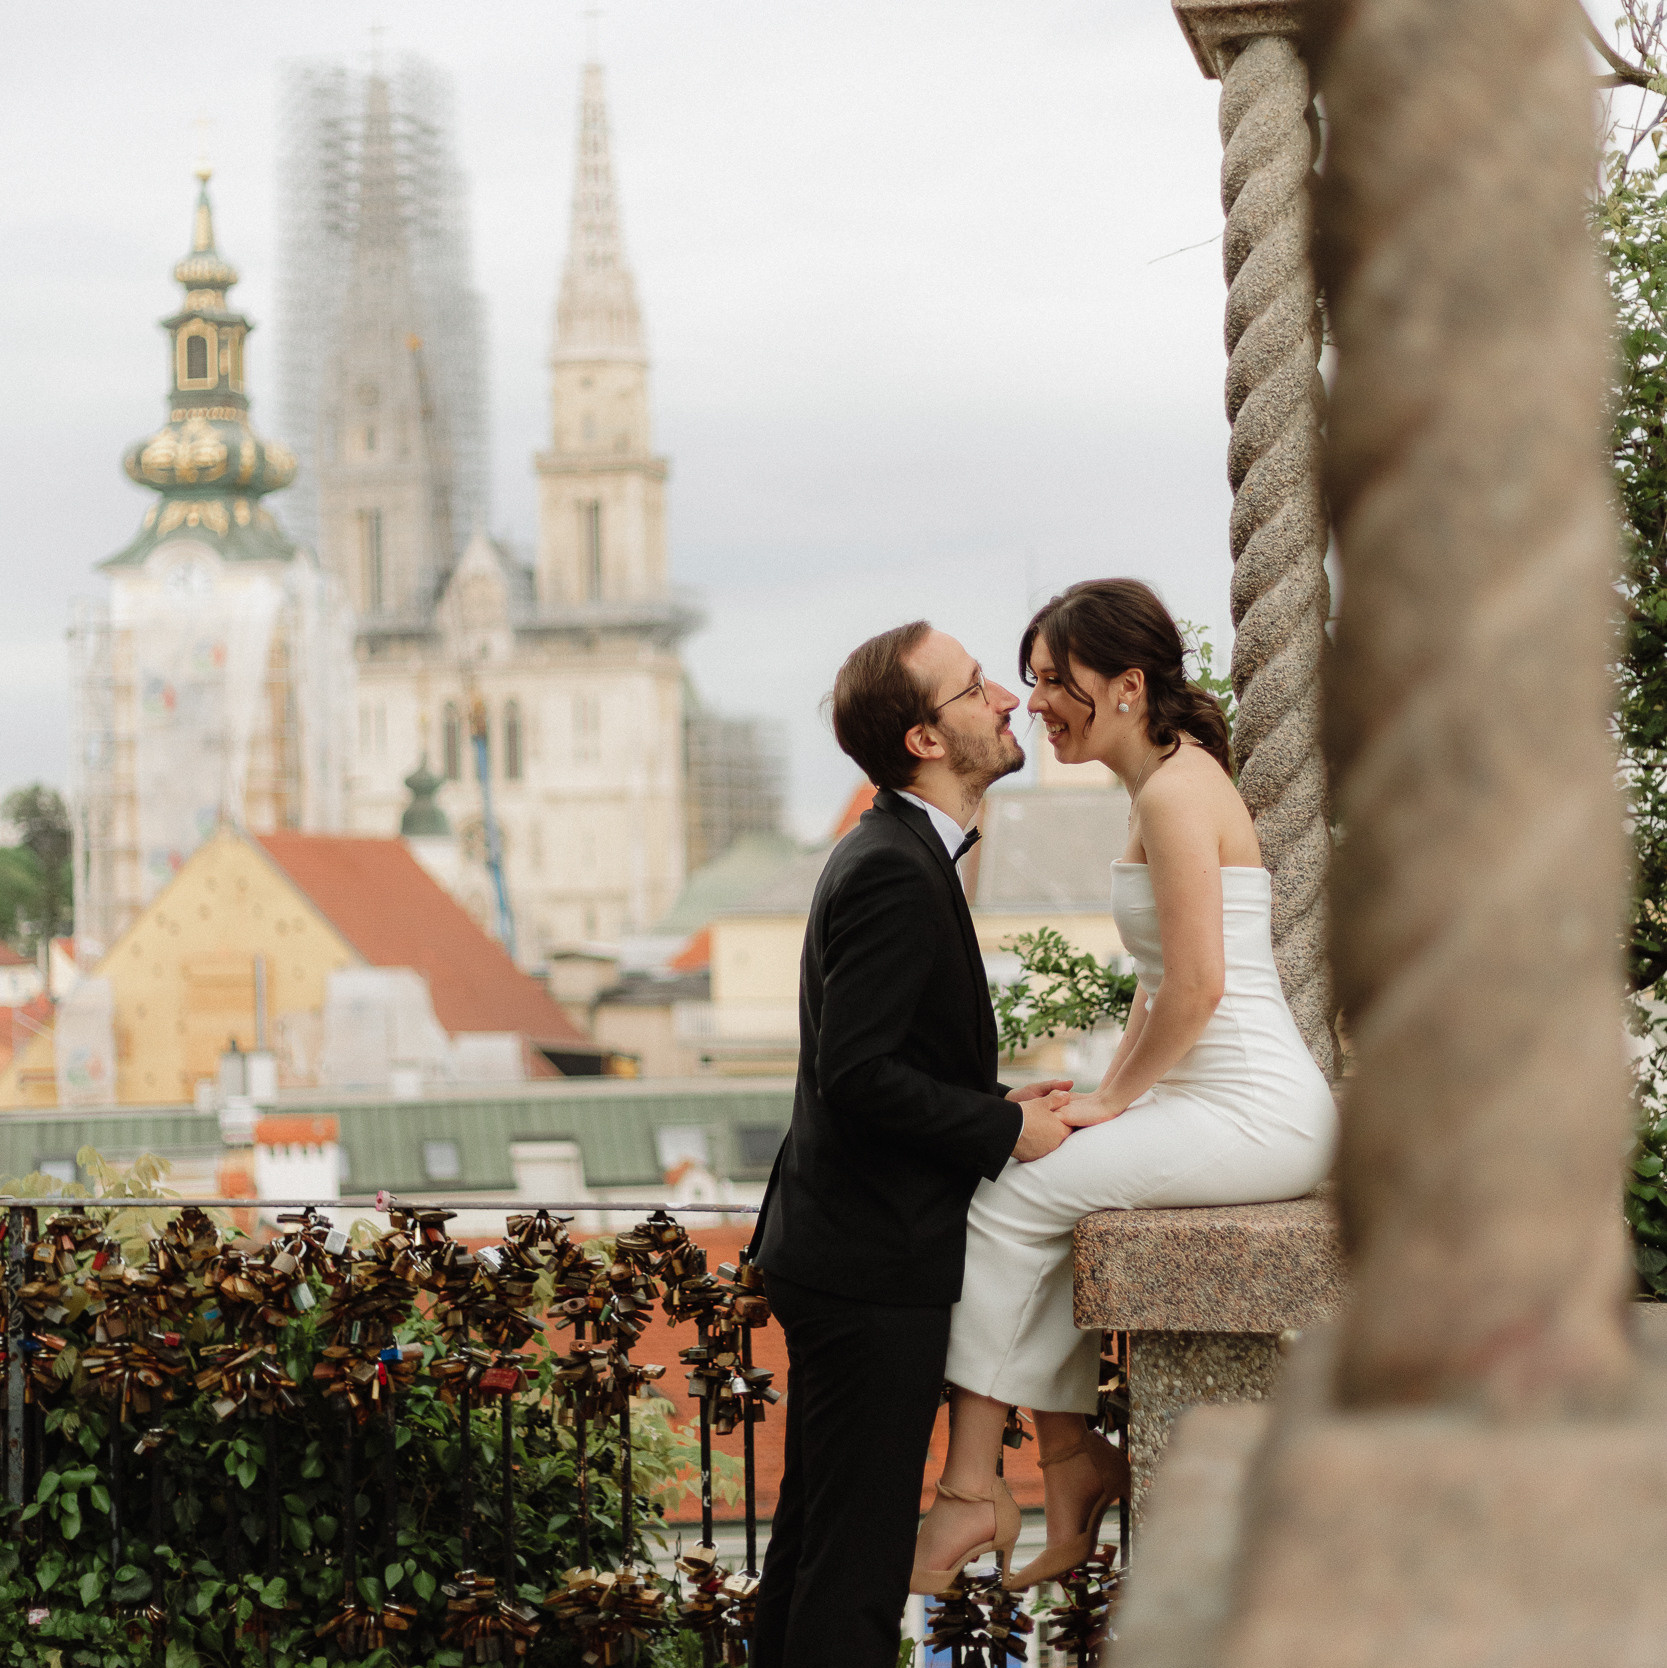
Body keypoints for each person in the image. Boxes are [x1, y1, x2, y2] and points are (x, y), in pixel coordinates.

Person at [911, 579, 1339, 1592]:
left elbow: (1196, 988)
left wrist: (1110, 1106)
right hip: (1221, 1102)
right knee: (1042, 1182)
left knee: (1007, 1192)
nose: (1038, 701)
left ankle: (980, 1488)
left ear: (1126, 686)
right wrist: (1104, 1093)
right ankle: (1066, 1469)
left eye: (1055, 680)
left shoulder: (1176, 790)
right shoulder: (1168, 783)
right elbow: (1159, 990)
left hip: (1253, 1111)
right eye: (1029, 681)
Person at [748, 621, 1076, 1668]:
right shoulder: (893, 867)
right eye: (977, 689)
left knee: (814, 1552)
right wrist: (1005, 1129)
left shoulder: (892, 851)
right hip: (866, 1265)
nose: (1008, 701)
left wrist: (989, 1097)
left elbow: (879, 1062)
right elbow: (855, 1078)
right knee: (850, 1571)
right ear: (924, 739)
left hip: (845, 1253)